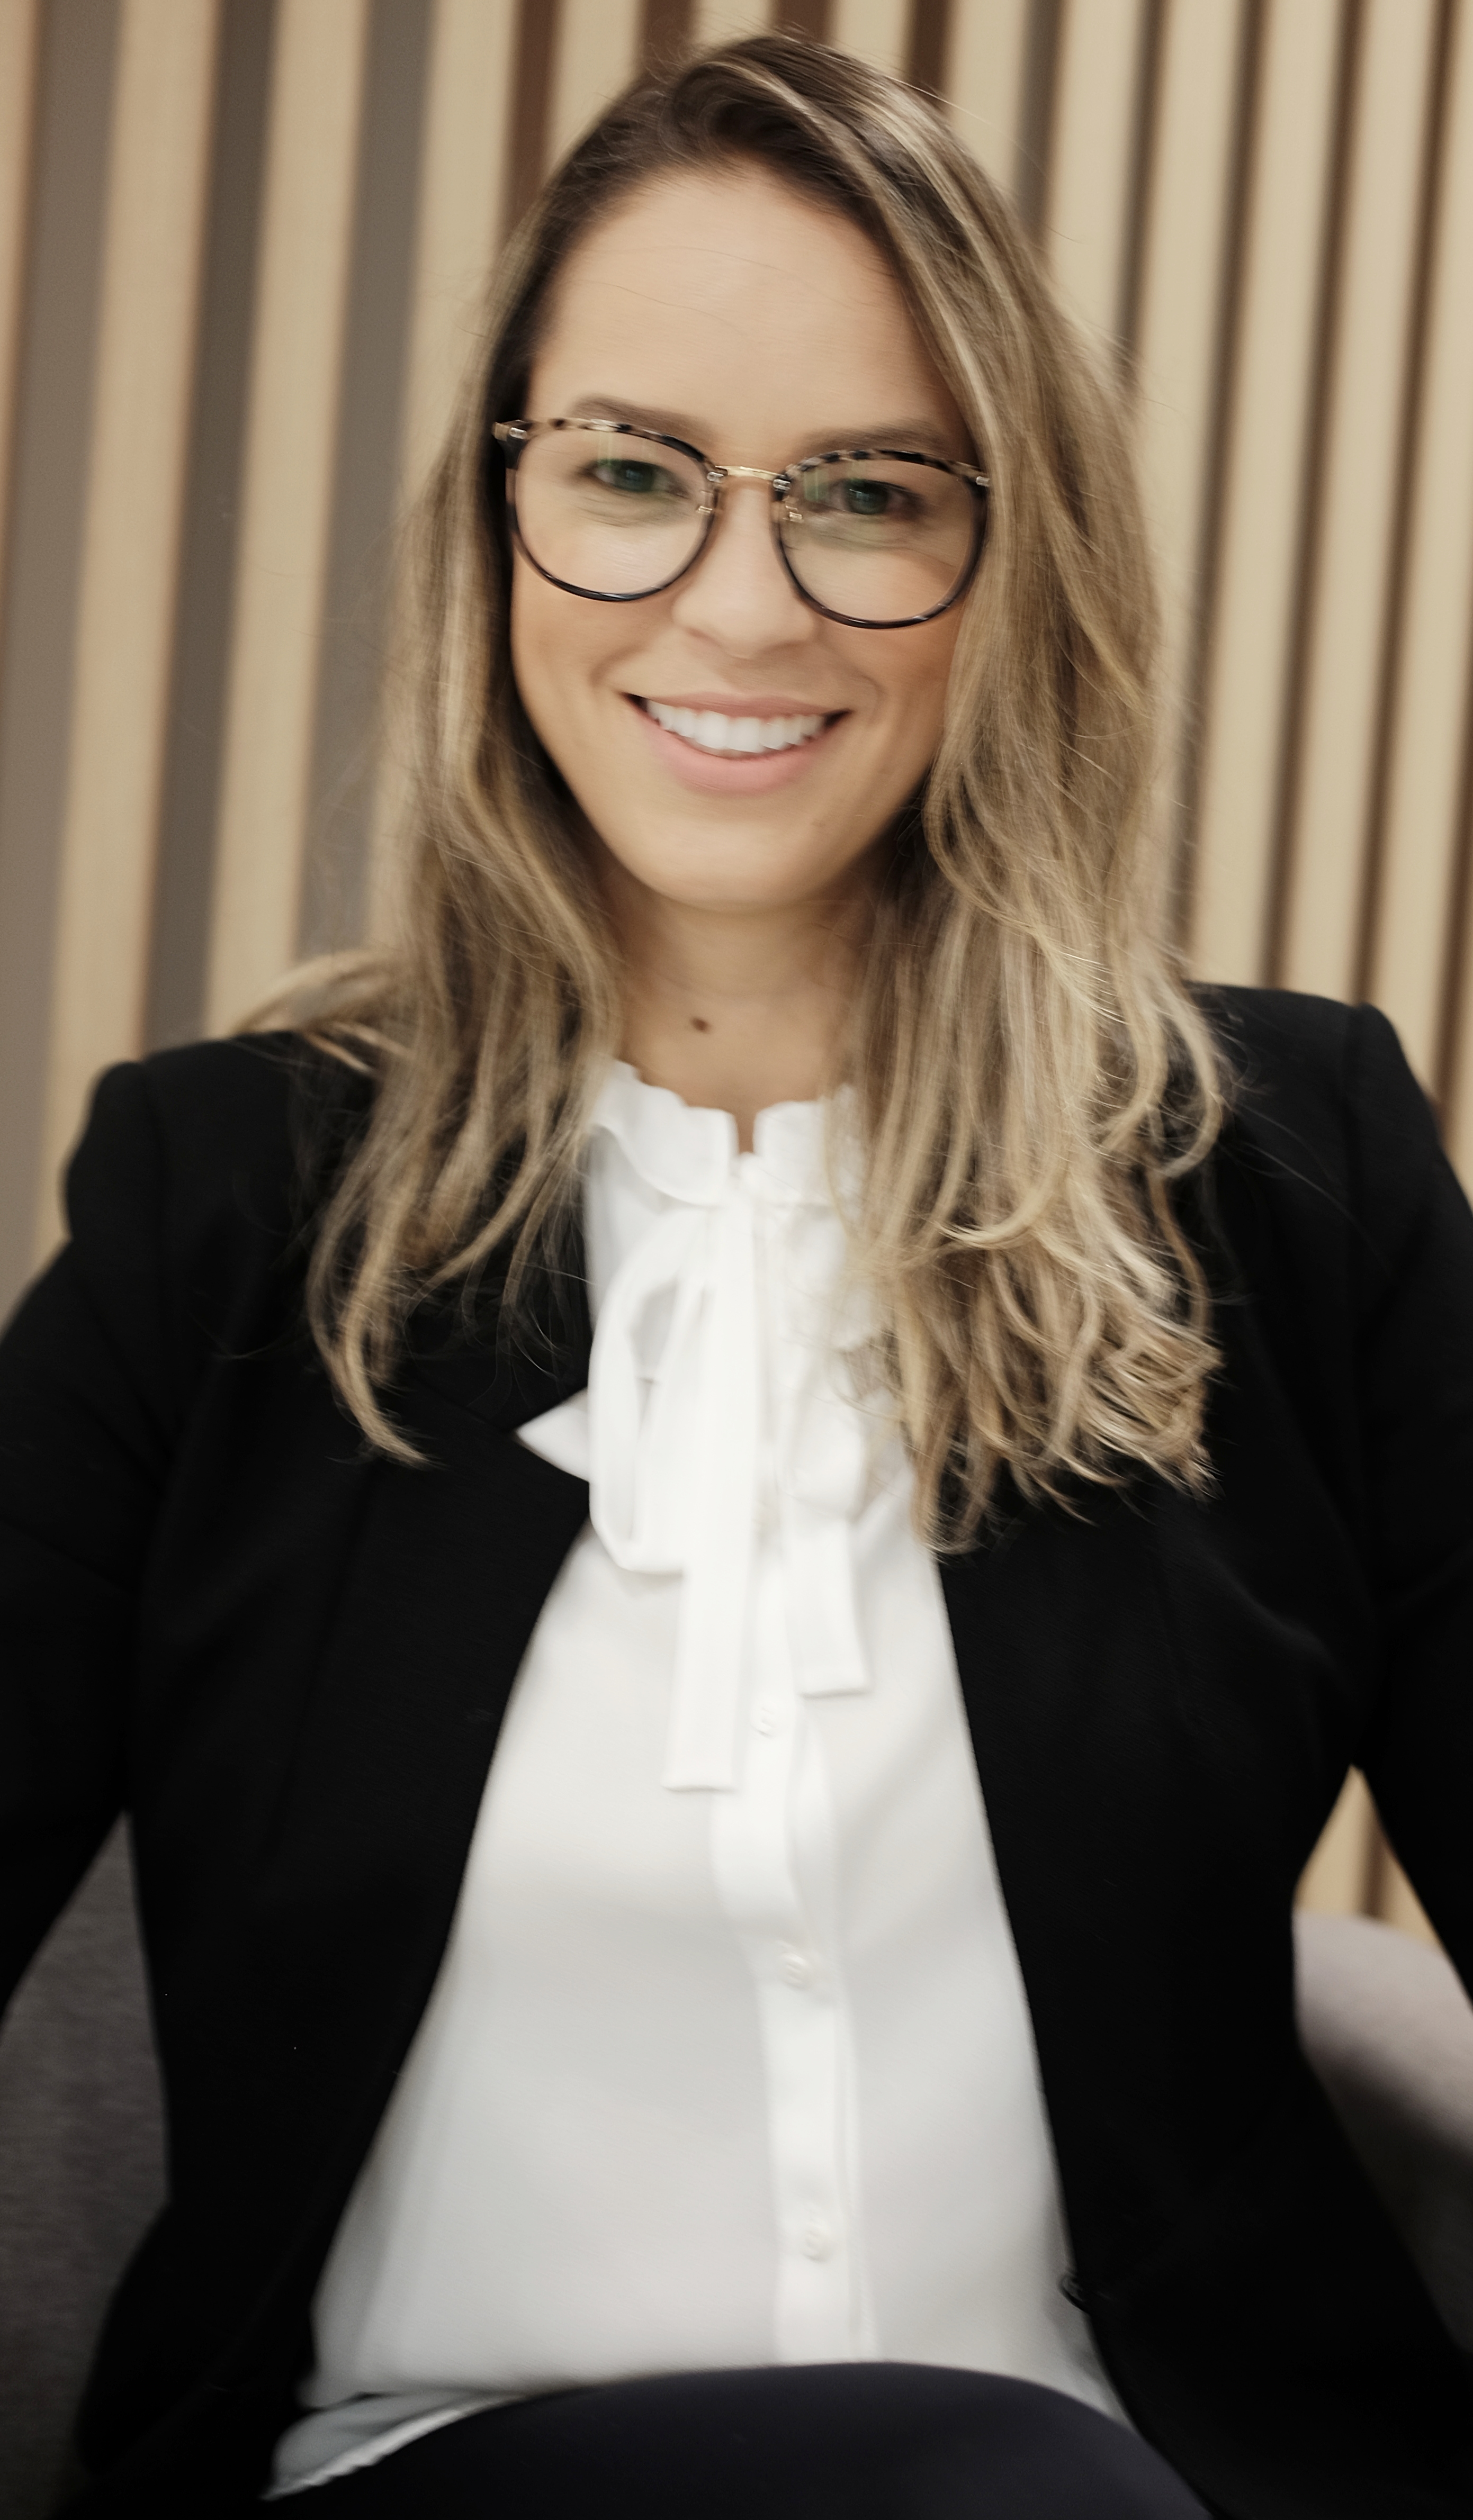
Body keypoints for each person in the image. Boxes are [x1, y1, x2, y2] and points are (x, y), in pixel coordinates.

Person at [1, 32, 1469, 2519]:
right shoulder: (227, 1206)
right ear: (503, 512)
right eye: (631, 472)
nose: (739, 602)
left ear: (1014, 563)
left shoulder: (1281, 1174)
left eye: (868, 495)